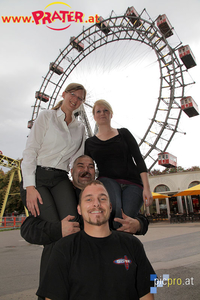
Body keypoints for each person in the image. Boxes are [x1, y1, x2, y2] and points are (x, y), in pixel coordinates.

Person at [21, 156, 149, 300]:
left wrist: (139, 224)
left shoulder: (106, 196)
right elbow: (27, 228)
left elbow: (149, 286)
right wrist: (58, 229)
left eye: (90, 167)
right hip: (65, 284)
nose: (86, 170)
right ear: (71, 171)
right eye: (80, 166)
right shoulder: (57, 196)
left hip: (111, 278)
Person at [20, 83, 86, 223]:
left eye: (80, 98)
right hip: (39, 176)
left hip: (61, 178)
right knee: (52, 224)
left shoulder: (80, 128)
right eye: (72, 94)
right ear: (64, 94)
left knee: (71, 221)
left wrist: (79, 184)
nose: (75, 99)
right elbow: (31, 150)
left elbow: (77, 160)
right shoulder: (46, 116)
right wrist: (30, 187)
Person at [85, 99, 153, 228]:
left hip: (133, 183)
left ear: (111, 114)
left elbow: (139, 159)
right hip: (107, 180)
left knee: (127, 220)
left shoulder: (124, 133)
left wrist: (147, 188)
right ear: (94, 116)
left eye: (106, 110)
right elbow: (88, 168)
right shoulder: (90, 143)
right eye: (98, 111)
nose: (102, 113)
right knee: (115, 216)